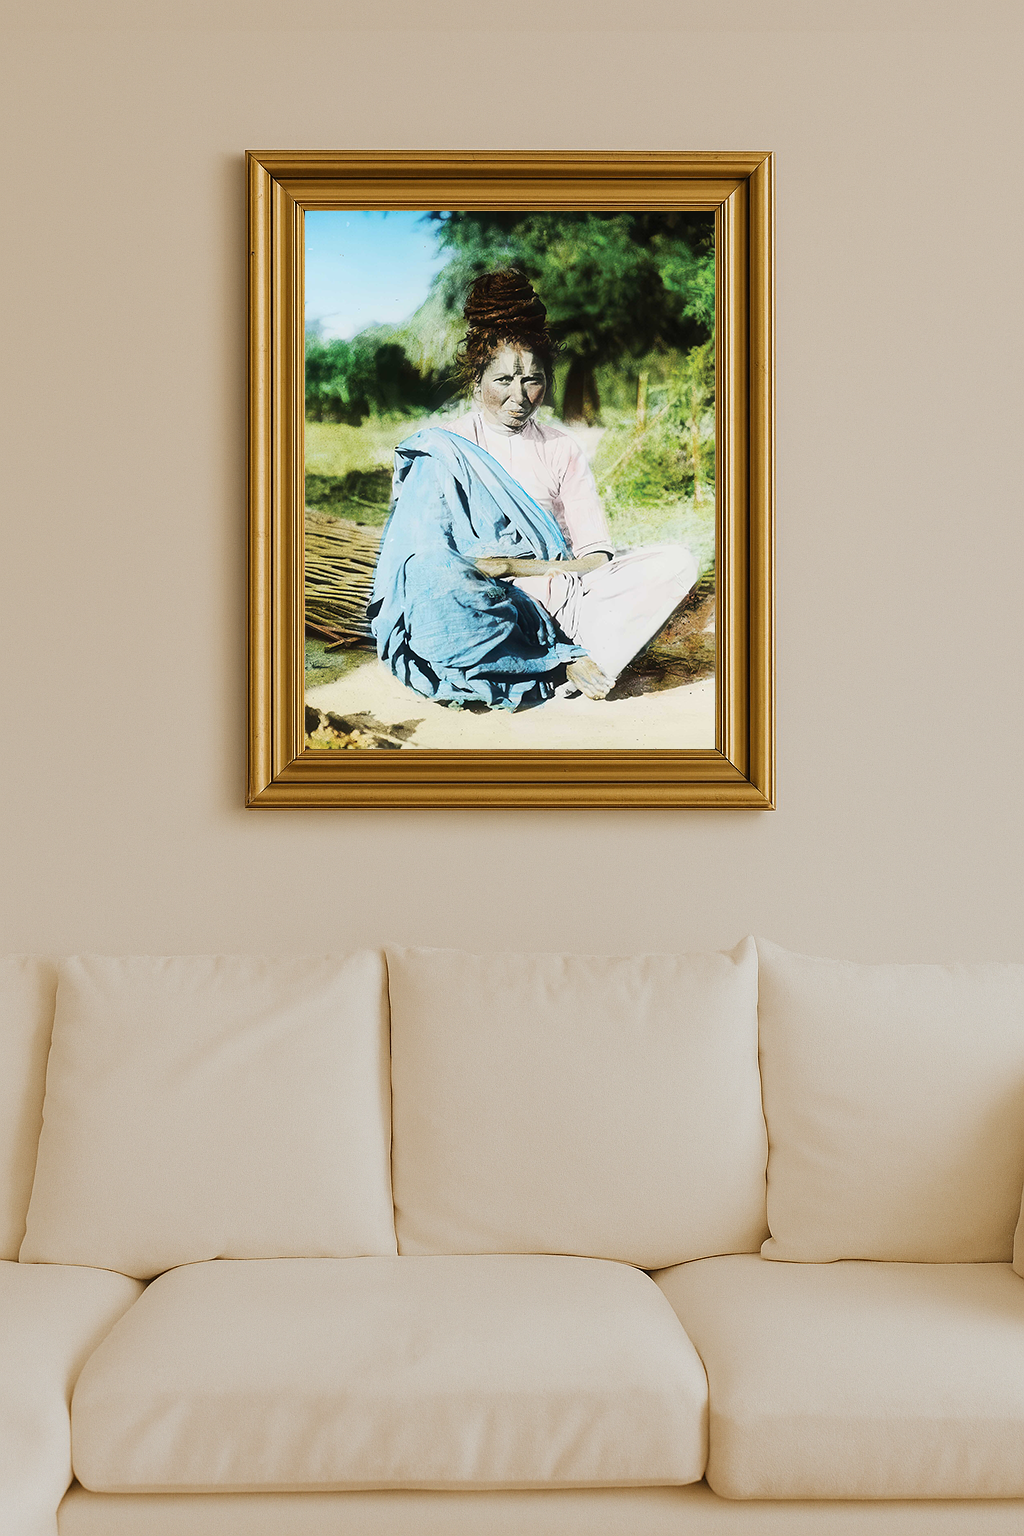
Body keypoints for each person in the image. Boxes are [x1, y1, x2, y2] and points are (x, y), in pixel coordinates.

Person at [368, 270, 698, 710]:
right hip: (484, 606)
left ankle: (554, 652)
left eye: (532, 379)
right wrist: (493, 577)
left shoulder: (561, 447)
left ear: (546, 381)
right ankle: (558, 662)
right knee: (432, 582)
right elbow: (425, 556)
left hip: (563, 599)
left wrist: (517, 565)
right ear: (477, 380)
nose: (519, 395)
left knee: (676, 561)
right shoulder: (443, 448)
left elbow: (597, 557)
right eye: (503, 379)